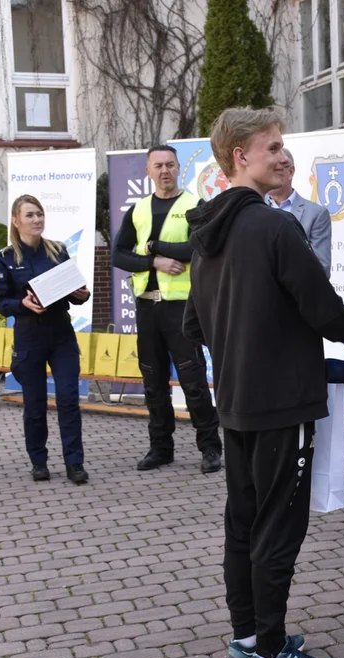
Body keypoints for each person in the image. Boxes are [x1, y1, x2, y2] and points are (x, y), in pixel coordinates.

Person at [183, 106, 344, 658]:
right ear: (241, 157)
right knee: (278, 525)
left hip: (235, 398)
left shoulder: (206, 233)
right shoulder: (275, 227)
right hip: (282, 402)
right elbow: (325, 310)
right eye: (274, 147)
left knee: (244, 521)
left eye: (284, 147)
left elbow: (192, 324)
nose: (284, 157)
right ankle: (274, 655)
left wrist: (242, 345)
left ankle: (247, 638)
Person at [111, 144, 223, 475]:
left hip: (182, 309)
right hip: (147, 308)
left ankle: (210, 448)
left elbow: (199, 247)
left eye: (170, 165)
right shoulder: (138, 210)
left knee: (193, 381)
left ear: (179, 170)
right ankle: (161, 448)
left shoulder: (194, 205)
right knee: (153, 382)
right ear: (148, 171)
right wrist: (154, 260)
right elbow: (119, 255)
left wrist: (159, 247)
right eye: (158, 165)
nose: (164, 171)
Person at [0, 194, 90, 485]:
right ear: (16, 220)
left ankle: (75, 463)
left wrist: (81, 295)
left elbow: (76, 291)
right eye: (30, 215)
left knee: (69, 400)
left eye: (40, 214)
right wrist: (23, 305)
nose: (37, 220)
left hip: (61, 334)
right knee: (35, 405)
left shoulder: (57, 250)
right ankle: (39, 462)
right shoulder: (6, 257)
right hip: (29, 335)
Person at [266, 148, 332, 276]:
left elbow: (322, 269)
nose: (269, 177)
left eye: (276, 170)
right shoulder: (254, 209)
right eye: (267, 170)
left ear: (290, 171)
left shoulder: (316, 214)